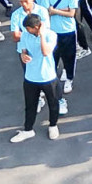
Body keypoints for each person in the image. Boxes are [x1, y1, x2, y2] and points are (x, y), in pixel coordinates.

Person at [12, 14, 61, 143]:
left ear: (37, 27)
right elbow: (23, 51)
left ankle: (53, 126)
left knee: (53, 104)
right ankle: (28, 130)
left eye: (29, 28)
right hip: (30, 77)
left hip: (48, 77)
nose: (27, 30)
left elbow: (45, 52)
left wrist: (42, 35)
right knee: (30, 105)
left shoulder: (51, 35)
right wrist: (23, 56)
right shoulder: (25, 35)